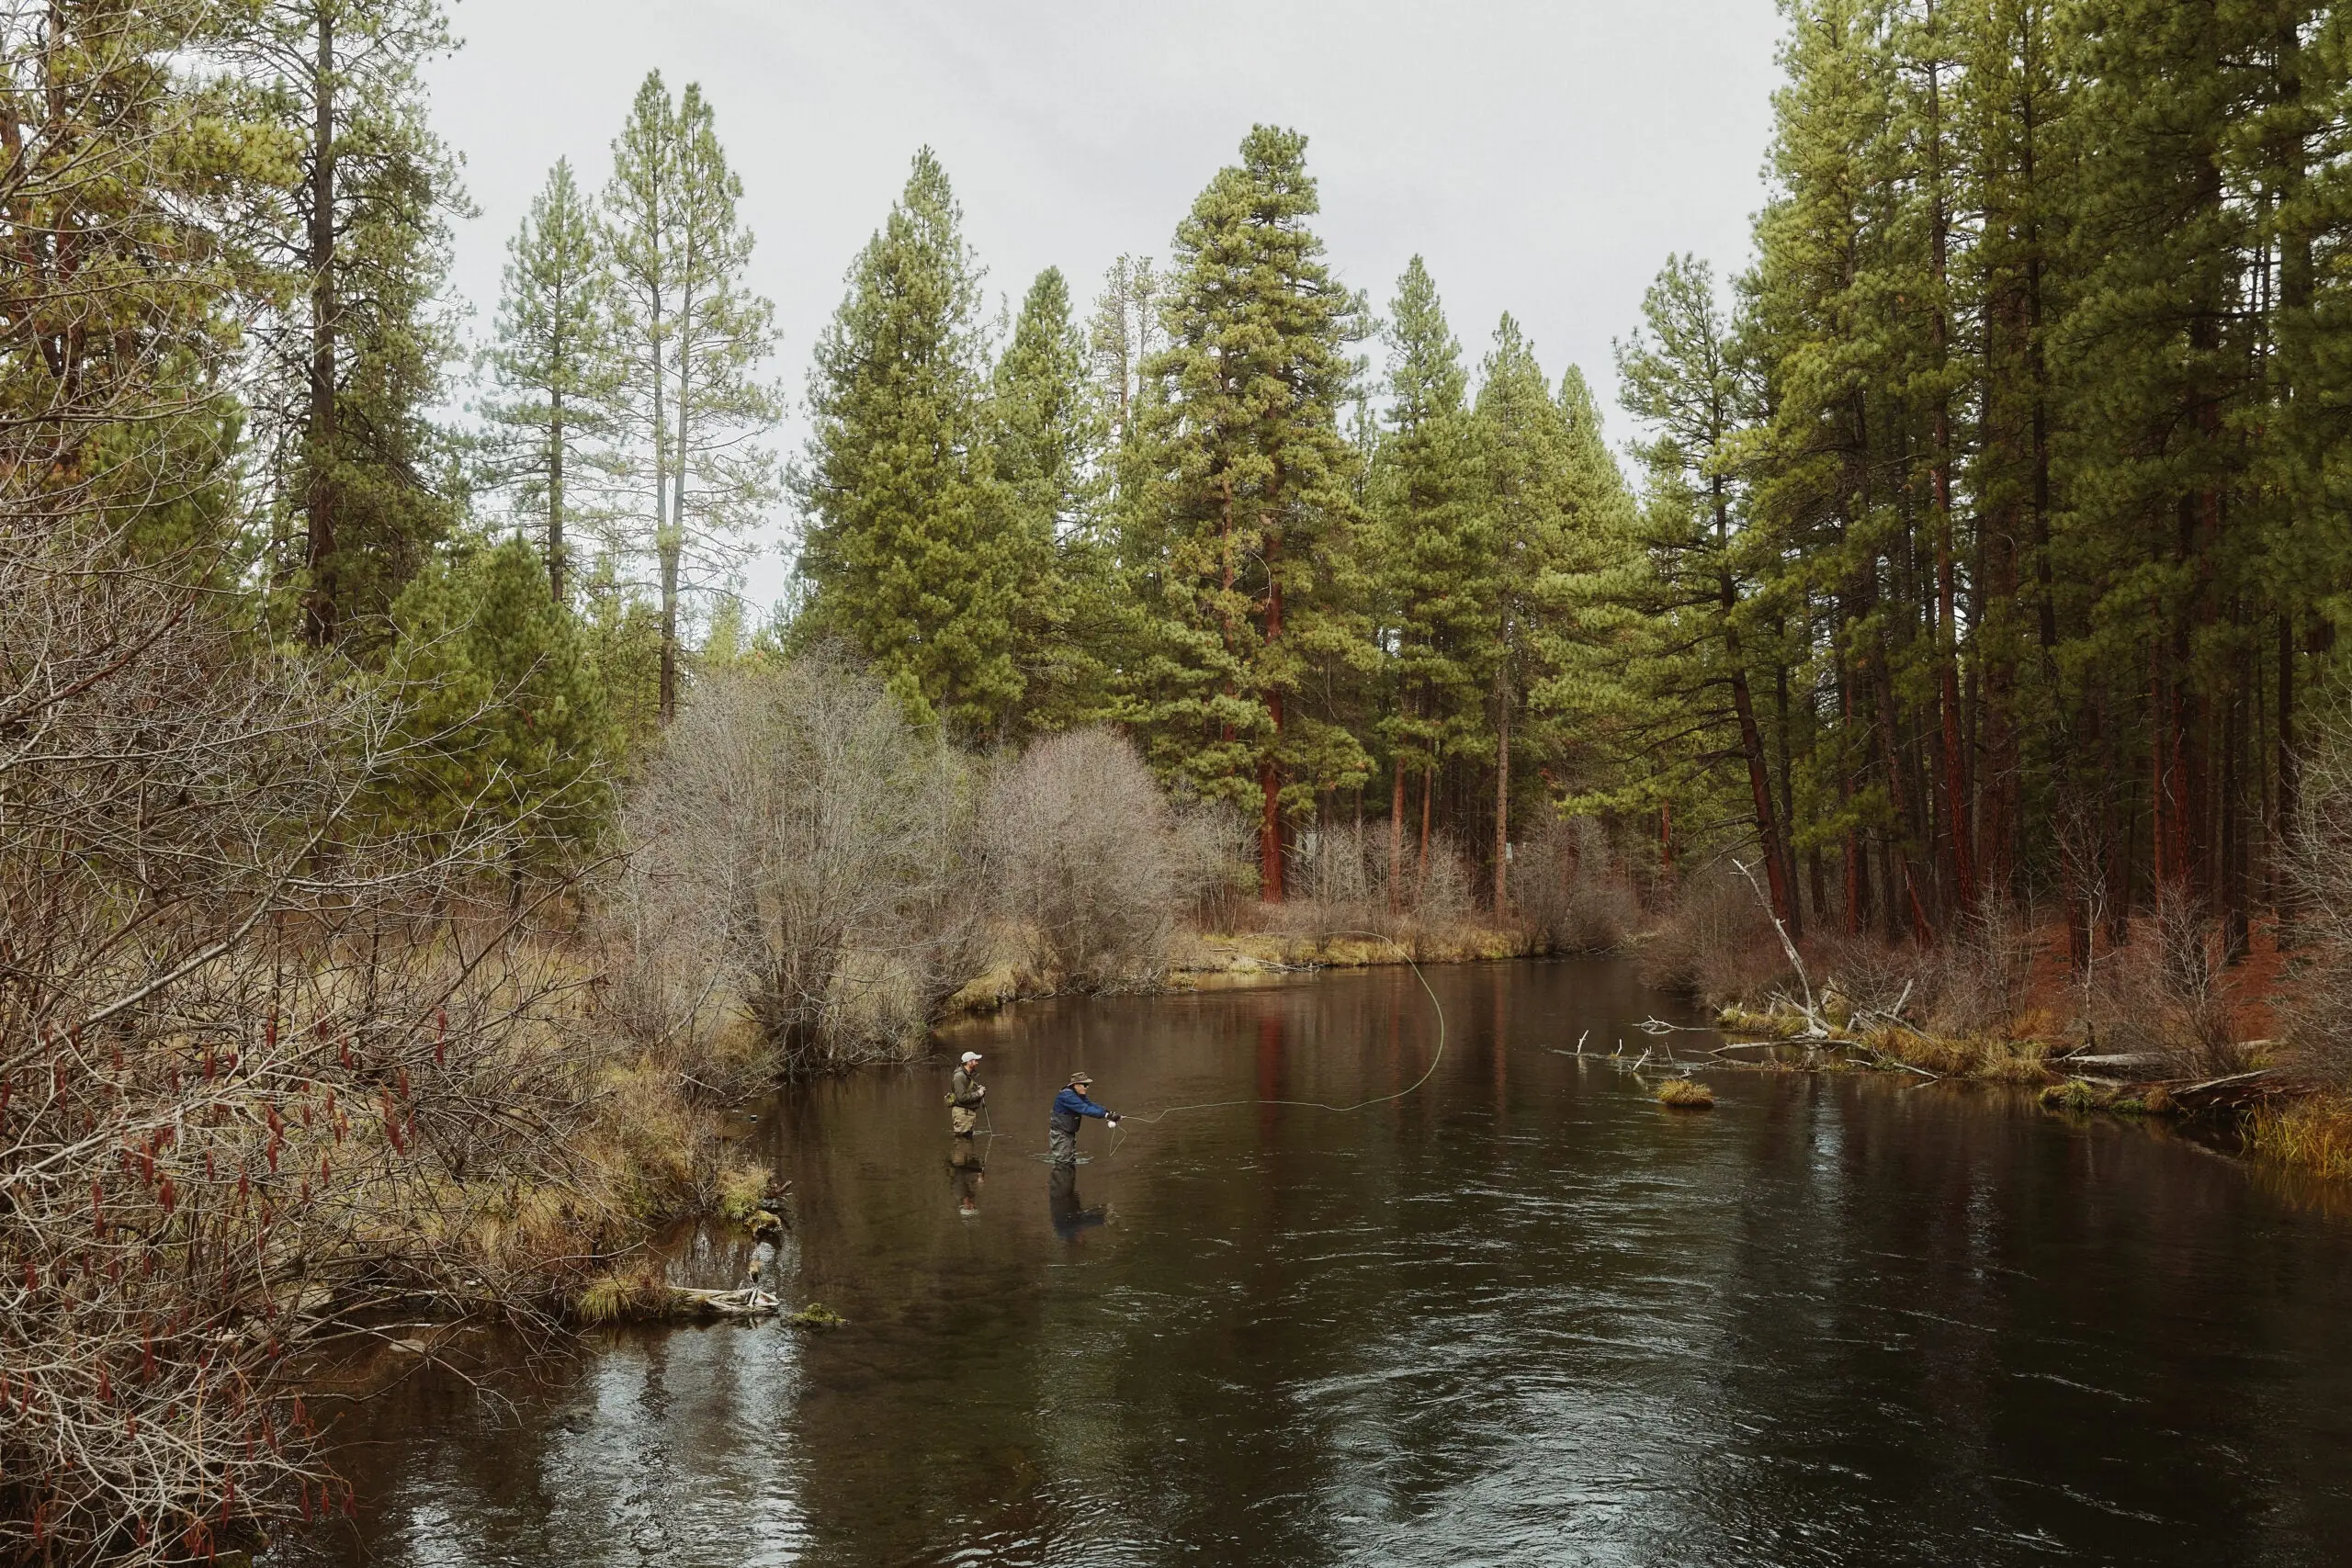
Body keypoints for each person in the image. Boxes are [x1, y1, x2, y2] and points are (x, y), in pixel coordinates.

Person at [1047, 1071, 1119, 1167]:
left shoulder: (1077, 1094)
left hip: (1068, 1132)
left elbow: (1089, 1104)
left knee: (1068, 1161)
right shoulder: (1067, 1096)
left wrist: (1107, 1112)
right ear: (1076, 1085)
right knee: (1064, 1164)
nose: (1087, 1087)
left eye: (1088, 1084)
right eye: (1085, 1085)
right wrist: (1106, 1116)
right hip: (1061, 1134)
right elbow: (1084, 1109)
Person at [947, 1050, 986, 1137]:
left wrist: (979, 1091)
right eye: (975, 1060)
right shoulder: (959, 1076)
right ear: (969, 1062)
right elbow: (961, 1097)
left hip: (967, 1114)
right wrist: (978, 1094)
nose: (977, 1063)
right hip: (962, 1114)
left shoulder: (966, 1075)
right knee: (963, 1143)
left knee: (966, 1143)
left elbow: (967, 1092)